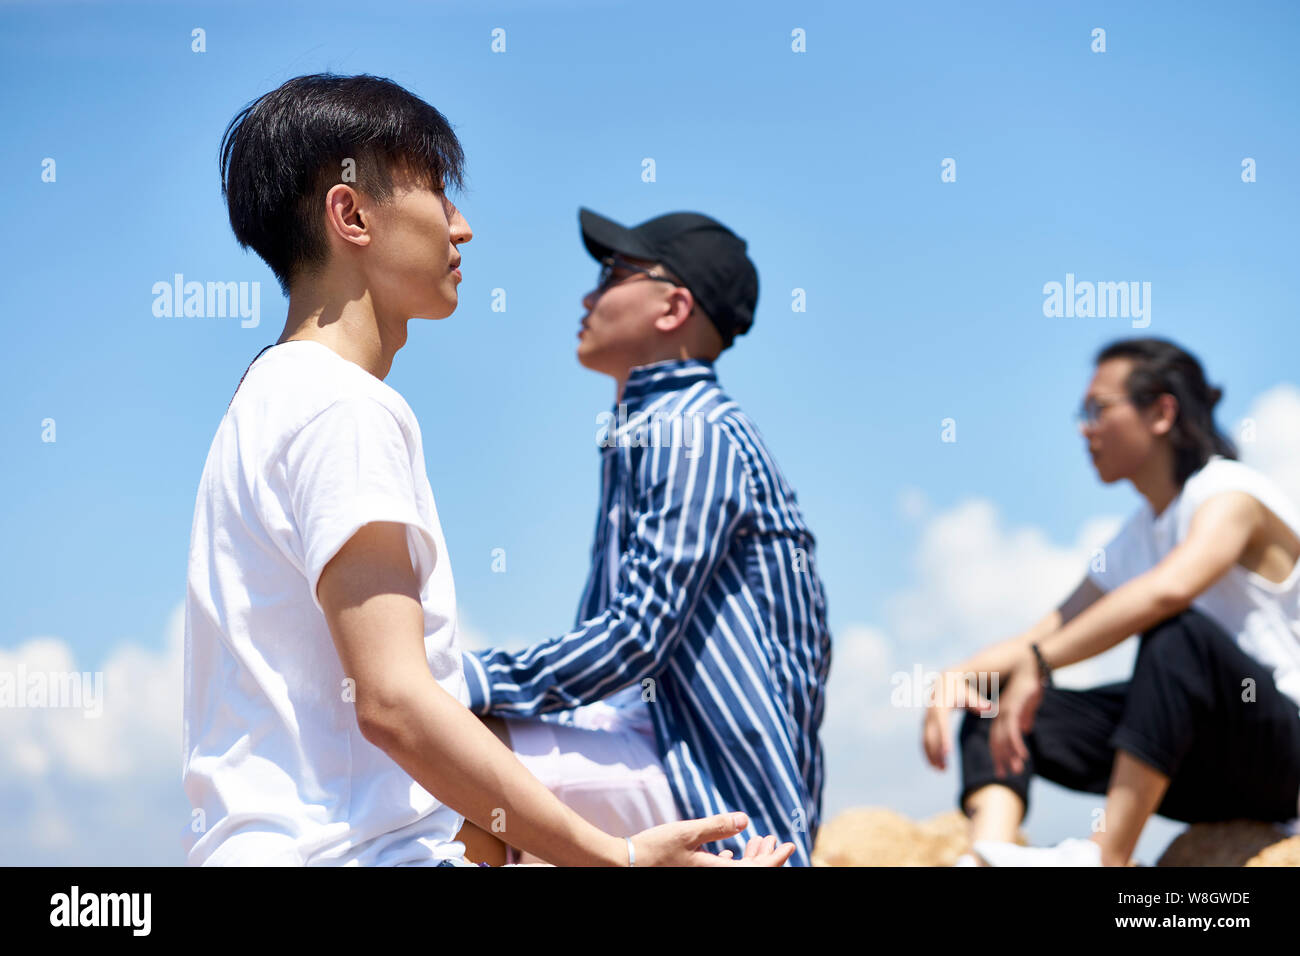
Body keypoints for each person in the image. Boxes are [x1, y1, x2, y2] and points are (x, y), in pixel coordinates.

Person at [181, 72, 795, 868]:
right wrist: (620, 859)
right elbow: (397, 703)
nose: (462, 227)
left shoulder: (264, 397)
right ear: (351, 214)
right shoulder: (344, 408)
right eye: (439, 191)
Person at [454, 208, 832, 867]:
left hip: (710, 785)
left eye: (611, 274)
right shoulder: (652, 425)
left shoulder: (692, 431)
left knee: (438, 758)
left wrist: (459, 678)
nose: (588, 296)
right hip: (662, 752)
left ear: (673, 306)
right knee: (436, 755)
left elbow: (635, 635)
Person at [922, 336, 1300, 866]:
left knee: (1176, 635)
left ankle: (1106, 858)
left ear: (1162, 412)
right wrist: (959, 676)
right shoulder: (1137, 536)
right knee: (995, 694)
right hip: (1206, 769)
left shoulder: (1231, 493)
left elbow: (1169, 590)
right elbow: (1047, 631)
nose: (1084, 427)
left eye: (1097, 409)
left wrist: (1041, 663)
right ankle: (990, 852)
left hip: (1283, 751)